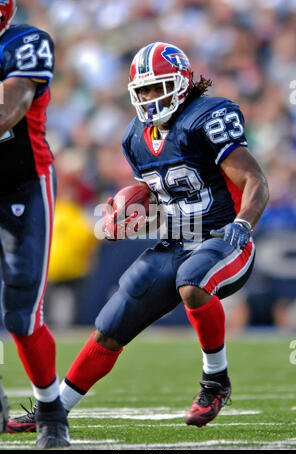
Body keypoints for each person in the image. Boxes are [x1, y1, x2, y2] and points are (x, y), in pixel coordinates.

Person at [7, 41, 269, 432]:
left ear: (181, 84)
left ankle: (215, 380)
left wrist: (243, 225)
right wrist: (130, 219)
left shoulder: (208, 117)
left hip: (224, 238)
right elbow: (165, 201)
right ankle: (54, 409)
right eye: (143, 90)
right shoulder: (134, 137)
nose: (149, 97)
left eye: (157, 87)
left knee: (193, 279)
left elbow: (255, 179)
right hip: (178, 240)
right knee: (111, 323)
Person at [0, 0, 70, 448]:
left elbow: (9, 109)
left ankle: (49, 409)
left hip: (22, 184)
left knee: (22, 312)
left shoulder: (25, 43)